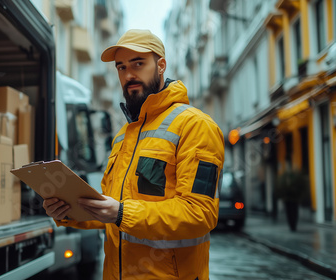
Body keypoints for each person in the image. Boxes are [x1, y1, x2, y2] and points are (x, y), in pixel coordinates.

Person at [43, 29, 225, 280]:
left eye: (138, 64)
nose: (129, 75)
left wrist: (121, 213)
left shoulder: (196, 126)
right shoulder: (123, 136)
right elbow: (109, 207)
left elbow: (199, 214)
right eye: (121, 67)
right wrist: (67, 211)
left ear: (161, 65)